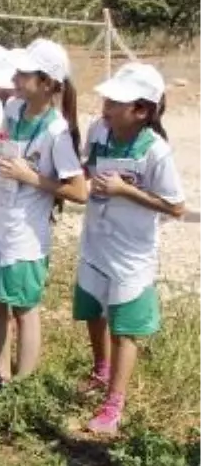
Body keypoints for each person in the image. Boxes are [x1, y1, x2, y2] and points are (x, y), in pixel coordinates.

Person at [74, 63, 184, 435]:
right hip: (95, 243)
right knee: (94, 312)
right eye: (107, 98)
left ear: (141, 111)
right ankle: (101, 371)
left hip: (131, 255)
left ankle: (113, 405)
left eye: (116, 101)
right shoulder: (99, 131)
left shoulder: (156, 151)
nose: (106, 105)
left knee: (125, 329)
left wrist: (126, 191)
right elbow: (86, 171)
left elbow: (176, 207)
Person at [0, 39, 86, 386]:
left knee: (25, 309)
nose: (16, 77)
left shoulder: (57, 131)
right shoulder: (12, 107)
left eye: (24, 73)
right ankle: (1, 374)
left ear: (46, 83)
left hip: (26, 236)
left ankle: (24, 383)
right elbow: (6, 144)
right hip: (0, 222)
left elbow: (78, 191)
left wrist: (31, 177)